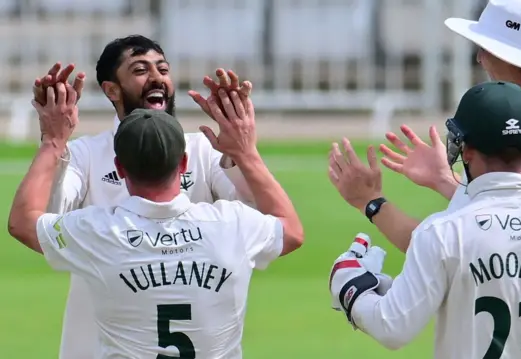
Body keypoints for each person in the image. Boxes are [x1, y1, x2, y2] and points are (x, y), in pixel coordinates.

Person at [331, 1, 521, 357]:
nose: (479, 58)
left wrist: (370, 202)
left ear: (508, 55)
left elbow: (451, 249)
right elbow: (517, 228)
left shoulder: (516, 140)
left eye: (485, 47)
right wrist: (449, 184)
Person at [8, 82, 304, 358]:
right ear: (184, 163)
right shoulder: (232, 224)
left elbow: (22, 222)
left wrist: (53, 142)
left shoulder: (98, 232)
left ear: (120, 169)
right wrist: (245, 151)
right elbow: (290, 230)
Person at [28, 35, 259, 359]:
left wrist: (242, 153)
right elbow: (47, 220)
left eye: (162, 68)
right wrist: (53, 143)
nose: (157, 77)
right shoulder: (85, 154)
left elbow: (258, 216)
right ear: (112, 89)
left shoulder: (204, 150)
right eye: (140, 69)